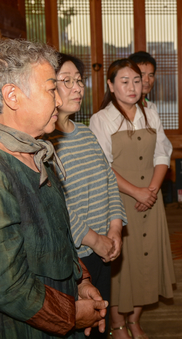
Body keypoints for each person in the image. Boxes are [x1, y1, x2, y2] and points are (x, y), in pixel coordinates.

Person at [0, 39, 108, 338]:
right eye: (51, 88)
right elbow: (3, 283)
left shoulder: (36, 153)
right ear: (13, 96)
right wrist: (70, 314)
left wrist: (81, 281)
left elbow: (58, 237)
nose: (58, 100)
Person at [89, 59, 175, 339]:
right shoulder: (100, 119)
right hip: (119, 202)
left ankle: (135, 321)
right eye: (124, 81)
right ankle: (116, 324)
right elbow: (103, 166)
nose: (132, 87)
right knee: (121, 264)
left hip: (151, 199)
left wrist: (150, 190)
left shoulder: (150, 113)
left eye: (136, 81)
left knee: (146, 261)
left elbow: (163, 154)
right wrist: (137, 192)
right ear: (111, 86)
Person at [45, 53, 129, 338]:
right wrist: (95, 240)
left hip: (105, 247)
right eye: (66, 81)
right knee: (80, 329)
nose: (78, 88)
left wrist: (116, 229)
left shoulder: (85, 133)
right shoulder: (43, 142)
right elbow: (58, 205)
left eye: (79, 81)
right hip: (76, 256)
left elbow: (108, 181)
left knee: (100, 323)